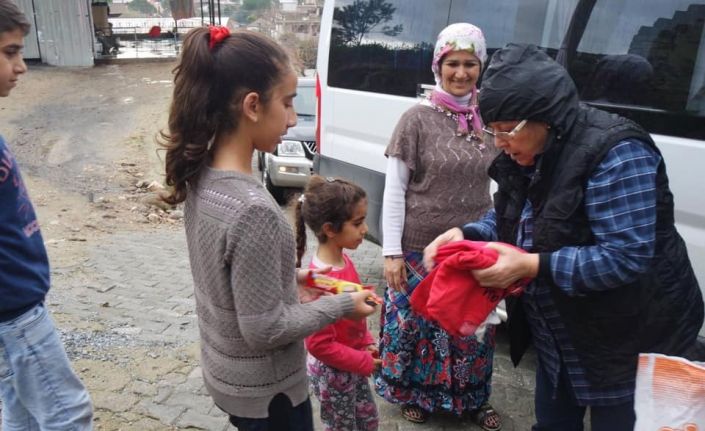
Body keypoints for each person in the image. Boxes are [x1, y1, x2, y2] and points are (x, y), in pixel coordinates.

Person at [424, 43, 705, 431]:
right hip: (563, 335)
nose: (498, 143)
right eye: (492, 130)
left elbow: (625, 256)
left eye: (506, 131)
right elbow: (515, 215)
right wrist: (468, 233)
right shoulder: (527, 154)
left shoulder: (617, 152)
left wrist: (532, 265)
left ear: (547, 119)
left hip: (633, 339)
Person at [159, 26, 377, 431]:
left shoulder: (202, 177)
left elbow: (232, 280)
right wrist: (343, 305)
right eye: (288, 102)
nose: (293, 119)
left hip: (229, 376)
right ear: (253, 106)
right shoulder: (254, 210)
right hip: (270, 394)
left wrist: (293, 279)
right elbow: (264, 329)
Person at [375, 22, 502, 430]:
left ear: (481, 66)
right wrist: (391, 253)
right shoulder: (415, 119)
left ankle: (471, 398)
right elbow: (395, 190)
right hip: (418, 249)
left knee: (471, 327)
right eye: (452, 63)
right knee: (418, 327)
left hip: (472, 246)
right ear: (437, 65)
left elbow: (503, 182)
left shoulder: (490, 119)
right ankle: (412, 394)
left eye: (470, 63)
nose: (461, 73)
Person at [0, 1, 94, 429]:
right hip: (14, 311)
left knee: (20, 412)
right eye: (9, 53)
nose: (21, 66)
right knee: (67, 413)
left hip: (16, 306)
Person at [294, 175, 381, 431]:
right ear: (330, 229)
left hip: (353, 363)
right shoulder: (319, 282)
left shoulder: (345, 261)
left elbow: (354, 317)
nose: (365, 229)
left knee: (367, 421)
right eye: (358, 223)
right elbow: (319, 345)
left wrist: (366, 343)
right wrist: (362, 361)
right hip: (334, 375)